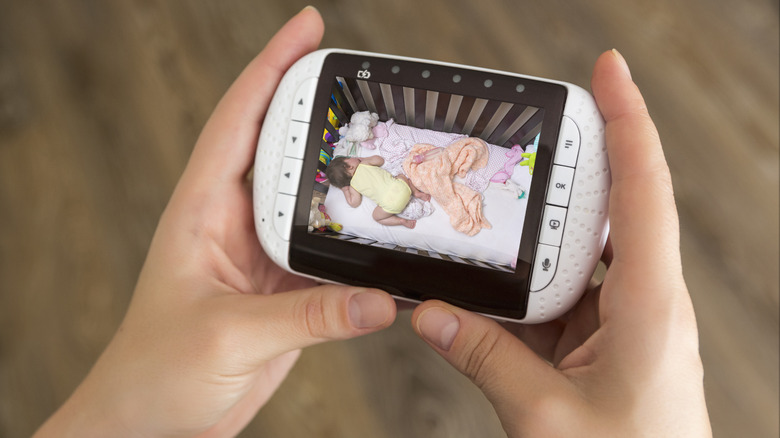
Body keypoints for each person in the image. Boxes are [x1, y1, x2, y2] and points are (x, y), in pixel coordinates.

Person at [34, 6, 712, 438]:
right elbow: (391, 191)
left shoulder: (389, 158)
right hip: (402, 186)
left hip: (417, 179)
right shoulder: (364, 174)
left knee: (440, 180)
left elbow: (425, 169)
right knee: (423, 194)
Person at [325, 154, 430, 229]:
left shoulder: (353, 186)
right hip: (403, 188)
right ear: (349, 166)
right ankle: (416, 192)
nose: (352, 157)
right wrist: (364, 159)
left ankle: (401, 221)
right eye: (349, 158)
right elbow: (380, 160)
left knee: (376, 217)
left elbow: (354, 203)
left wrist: (345, 190)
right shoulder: (364, 164)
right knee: (401, 175)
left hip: (393, 205)